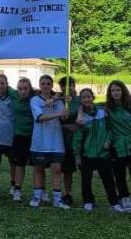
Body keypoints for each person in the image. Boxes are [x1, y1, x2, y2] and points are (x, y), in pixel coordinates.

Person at [73, 88, 126, 212]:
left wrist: (108, 141)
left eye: (88, 96)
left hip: (104, 154)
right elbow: (78, 138)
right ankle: (88, 201)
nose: (86, 99)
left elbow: (110, 129)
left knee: (108, 180)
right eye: (83, 97)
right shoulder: (81, 118)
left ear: (93, 97)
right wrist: (77, 155)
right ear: (81, 101)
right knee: (86, 180)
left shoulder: (103, 112)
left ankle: (114, 203)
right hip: (87, 154)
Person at [29, 75, 70, 209]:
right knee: (38, 169)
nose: (46, 86)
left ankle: (57, 199)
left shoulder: (59, 101)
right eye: (43, 84)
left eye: (48, 83)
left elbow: (64, 118)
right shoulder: (34, 100)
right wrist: (59, 113)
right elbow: (40, 117)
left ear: (52, 85)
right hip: (40, 142)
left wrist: (66, 111)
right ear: (40, 85)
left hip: (56, 141)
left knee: (56, 170)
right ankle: (37, 196)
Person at [105, 80, 131, 210]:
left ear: (123, 91)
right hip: (117, 146)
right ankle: (124, 198)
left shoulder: (129, 106)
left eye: (118, 90)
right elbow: (87, 104)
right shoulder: (107, 108)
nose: (115, 93)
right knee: (119, 175)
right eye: (112, 90)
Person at [10, 78, 35, 202]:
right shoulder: (13, 94)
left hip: (35, 135)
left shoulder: (36, 96)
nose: (23, 91)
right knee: (19, 164)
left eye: (26, 88)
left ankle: (41, 190)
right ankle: (17, 190)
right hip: (19, 135)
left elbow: (55, 94)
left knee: (38, 165)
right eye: (20, 88)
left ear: (30, 88)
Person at [58, 76, 79, 206]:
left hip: (74, 140)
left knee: (70, 169)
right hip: (59, 139)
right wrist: (65, 126)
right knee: (60, 169)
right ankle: (62, 193)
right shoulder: (58, 100)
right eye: (63, 86)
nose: (67, 88)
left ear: (74, 86)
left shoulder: (79, 101)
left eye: (69, 85)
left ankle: (70, 193)